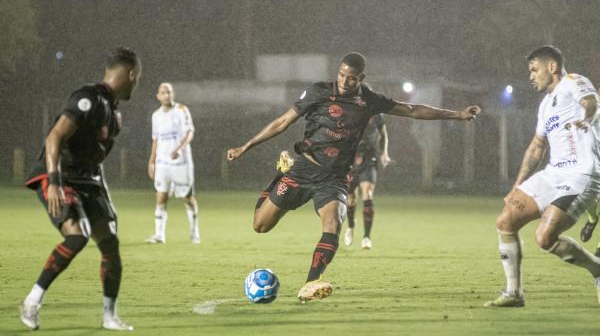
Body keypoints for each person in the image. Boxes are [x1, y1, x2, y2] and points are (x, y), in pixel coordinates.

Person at [227, 52, 480, 302]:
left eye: (350, 78)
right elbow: (282, 122)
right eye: (341, 74)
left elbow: (413, 110)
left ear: (361, 78)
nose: (344, 81)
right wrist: (245, 146)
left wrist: (457, 115)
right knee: (260, 226)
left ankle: (310, 283)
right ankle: (279, 176)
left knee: (333, 225)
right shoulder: (318, 92)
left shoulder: (369, 101)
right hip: (303, 169)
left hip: (334, 178)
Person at [20, 47, 141, 330]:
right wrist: (54, 182)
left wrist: (106, 200)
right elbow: (55, 137)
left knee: (110, 242)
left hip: (88, 181)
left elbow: (95, 161)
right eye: (138, 78)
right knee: (77, 237)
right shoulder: (88, 98)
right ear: (132, 74)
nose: (138, 83)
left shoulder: (114, 115)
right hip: (60, 175)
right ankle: (31, 302)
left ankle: (110, 317)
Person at [485, 45, 600, 308]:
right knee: (505, 221)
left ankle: (597, 269)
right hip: (553, 173)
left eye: (534, 69)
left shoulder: (573, 82)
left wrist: (587, 118)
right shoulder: (546, 105)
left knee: (544, 238)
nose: (531, 75)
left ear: (552, 67)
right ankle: (514, 293)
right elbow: (537, 146)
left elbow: (590, 102)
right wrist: (517, 186)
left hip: (582, 174)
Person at [146, 83, 200, 244]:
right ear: (158, 96)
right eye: (163, 92)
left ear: (173, 94)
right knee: (161, 196)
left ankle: (194, 233)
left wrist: (179, 149)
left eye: (168, 92)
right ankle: (159, 235)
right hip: (163, 163)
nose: (166, 95)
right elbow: (155, 139)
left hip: (181, 162)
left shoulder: (182, 110)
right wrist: (152, 161)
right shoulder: (156, 115)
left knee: (188, 197)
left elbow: (190, 132)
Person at [344, 114, 391, 249]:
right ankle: (351, 226)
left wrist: (384, 153)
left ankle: (366, 237)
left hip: (370, 157)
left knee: (368, 194)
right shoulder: (350, 110)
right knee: (351, 198)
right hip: (351, 158)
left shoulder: (377, 113)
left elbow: (383, 135)